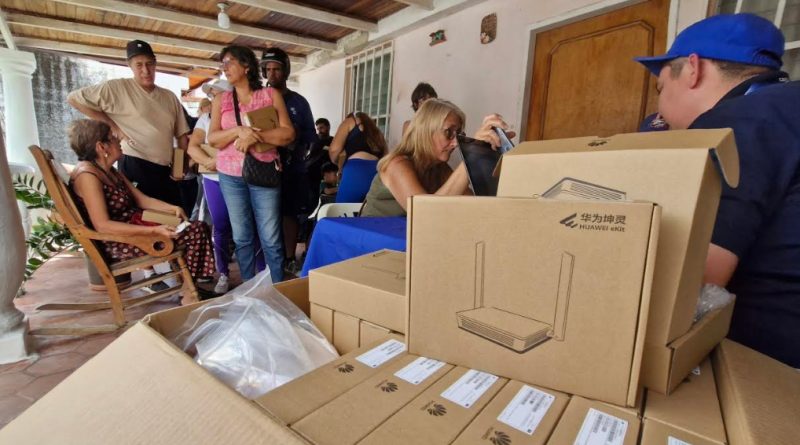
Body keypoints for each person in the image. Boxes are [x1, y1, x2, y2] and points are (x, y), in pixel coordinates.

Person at [634, 13, 800, 367]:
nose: (659, 113)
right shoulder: (785, 108)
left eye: (661, 88)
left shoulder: (731, 125)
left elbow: (692, 282)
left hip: (772, 366)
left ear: (693, 70)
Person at [67, 119, 215, 283]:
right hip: (120, 241)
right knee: (194, 231)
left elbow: (141, 200)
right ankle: (188, 288)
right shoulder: (88, 176)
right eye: (113, 137)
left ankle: (188, 283)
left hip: (134, 226)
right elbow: (103, 225)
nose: (119, 139)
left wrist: (172, 208)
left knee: (192, 225)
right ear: (101, 147)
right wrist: (154, 231)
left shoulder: (107, 170)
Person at [208, 45, 295, 283]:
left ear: (246, 66)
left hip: (264, 172)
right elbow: (213, 139)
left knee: (271, 237)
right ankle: (248, 289)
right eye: (222, 64)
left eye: (229, 62)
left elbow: (288, 134)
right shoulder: (221, 100)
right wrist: (239, 131)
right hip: (230, 176)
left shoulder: (270, 95)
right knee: (242, 237)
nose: (224, 68)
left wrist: (255, 137)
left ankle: (277, 287)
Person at [68, 39, 189, 207]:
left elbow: (182, 136)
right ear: (129, 65)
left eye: (149, 64)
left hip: (165, 170)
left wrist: (180, 166)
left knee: (176, 214)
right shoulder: (116, 88)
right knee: (144, 216)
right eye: (139, 65)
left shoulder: (169, 97)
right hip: (135, 163)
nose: (145, 70)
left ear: (155, 64)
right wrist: (113, 126)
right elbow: (74, 99)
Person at [361, 99, 513, 217]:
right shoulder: (396, 165)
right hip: (369, 240)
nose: (456, 143)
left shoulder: (439, 169)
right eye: (448, 133)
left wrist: (487, 154)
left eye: (459, 135)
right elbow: (425, 214)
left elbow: (472, 206)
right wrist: (471, 154)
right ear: (425, 131)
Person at [189, 79, 264, 294]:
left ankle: (261, 273)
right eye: (212, 95)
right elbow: (192, 147)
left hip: (242, 178)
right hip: (214, 179)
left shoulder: (244, 115)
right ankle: (223, 273)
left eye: (218, 94)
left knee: (251, 227)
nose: (214, 98)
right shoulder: (205, 119)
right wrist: (209, 161)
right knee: (221, 226)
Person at [261, 47, 318, 274]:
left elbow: (312, 137)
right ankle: (268, 260)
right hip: (263, 167)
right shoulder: (258, 98)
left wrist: (296, 142)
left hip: (292, 168)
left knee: (289, 214)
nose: (272, 74)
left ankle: (289, 258)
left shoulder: (299, 102)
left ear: (285, 71)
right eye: (268, 69)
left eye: (276, 69)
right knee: (266, 215)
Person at [328, 111, 388, 203]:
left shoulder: (349, 121)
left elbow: (334, 151)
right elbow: (385, 156)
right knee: (368, 211)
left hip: (355, 172)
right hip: (376, 175)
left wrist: (337, 162)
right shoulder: (377, 132)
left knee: (343, 209)